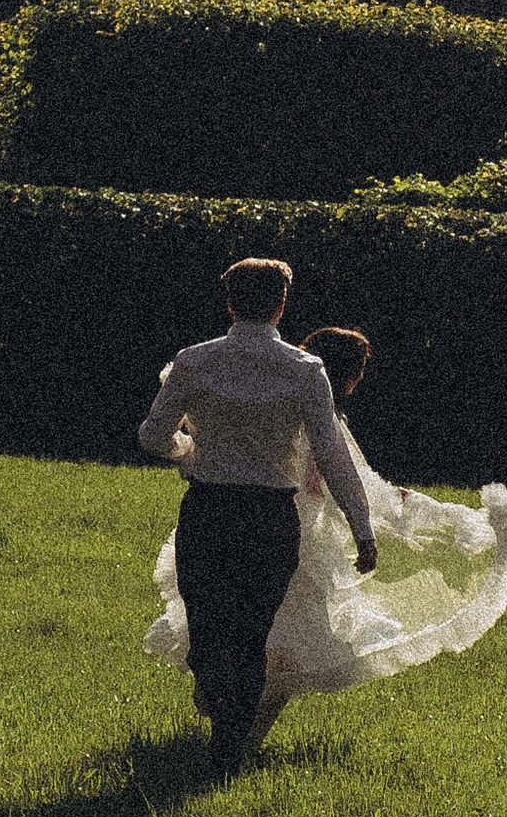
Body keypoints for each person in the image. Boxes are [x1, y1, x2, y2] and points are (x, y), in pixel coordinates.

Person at [145, 318, 507, 754]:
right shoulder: (317, 413)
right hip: (295, 541)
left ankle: (234, 729)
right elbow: (353, 482)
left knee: (242, 636)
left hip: (226, 516)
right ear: (349, 375)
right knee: (285, 650)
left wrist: (191, 455)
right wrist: (438, 517)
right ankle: (241, 736)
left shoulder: (266, 388)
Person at [135, 257, 375, 774]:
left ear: (229, 301)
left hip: (209, 510)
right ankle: (228, 736)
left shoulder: (194, 361)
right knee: (251, 630)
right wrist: (362, 527)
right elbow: (331, 455)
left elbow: (153, 436)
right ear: (282, 305)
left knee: (208, 623)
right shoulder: (305, 371)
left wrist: (188, 449)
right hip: (270, 518)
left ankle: (223, 739)